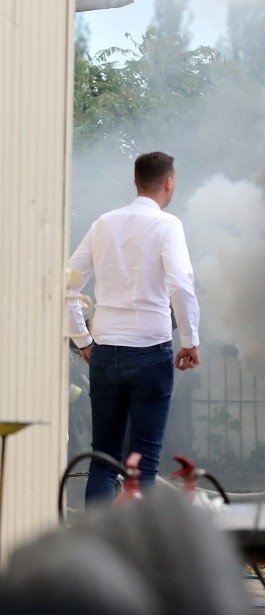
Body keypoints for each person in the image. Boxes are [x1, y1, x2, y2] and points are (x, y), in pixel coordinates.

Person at [67, 151, 201, 508]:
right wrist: (190, 340)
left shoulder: (103, 225)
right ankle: (134, 551)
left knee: (103, 458)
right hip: (151, 353)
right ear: (169, 182)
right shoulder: (168, 226)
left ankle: (96, 546)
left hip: (105, 352)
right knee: (142, 465)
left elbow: (67, 285)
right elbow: (182, 286)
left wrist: (81, 339)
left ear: (135, 181)